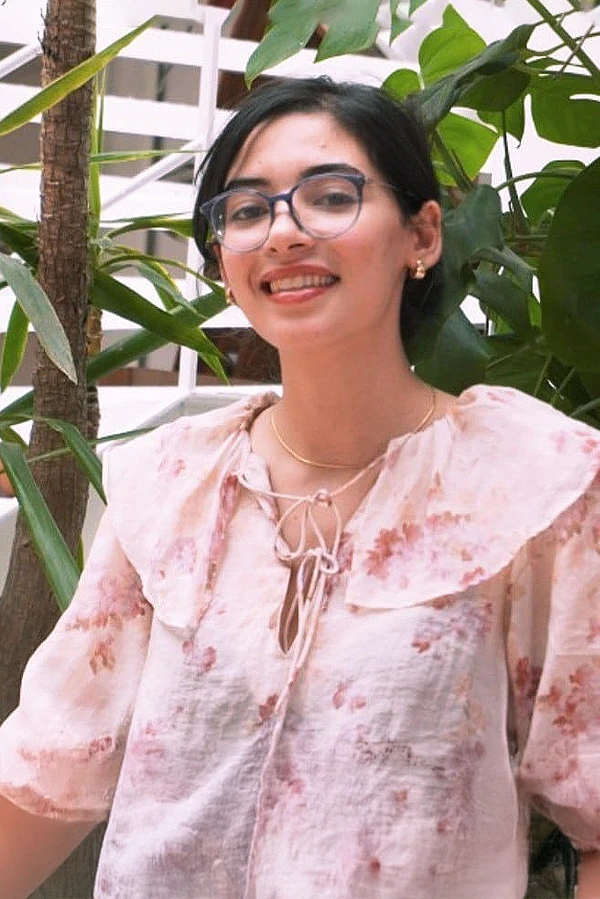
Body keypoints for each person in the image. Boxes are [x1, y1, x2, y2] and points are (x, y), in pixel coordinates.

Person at [0, 76, 599, 899]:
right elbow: (49, 765)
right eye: (247, 210)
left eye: (331, 196)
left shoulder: (533, 483)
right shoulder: (175, 482)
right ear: (223, 263)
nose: (284, 232)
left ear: (422, 234)